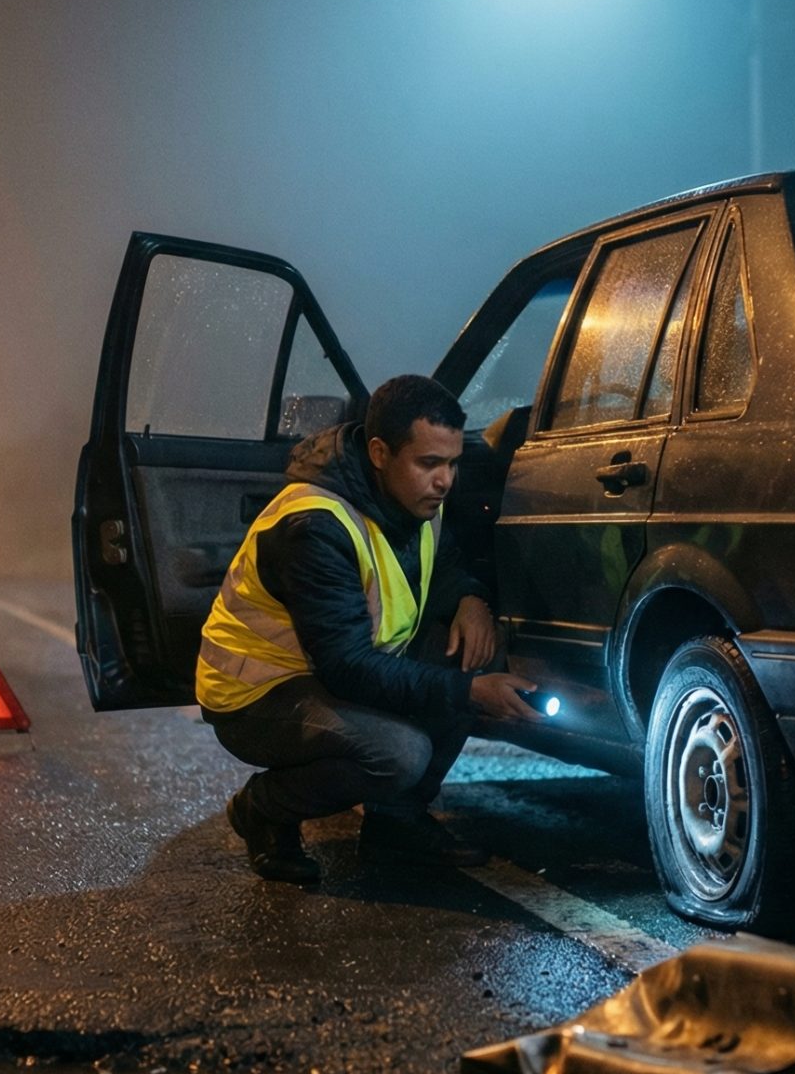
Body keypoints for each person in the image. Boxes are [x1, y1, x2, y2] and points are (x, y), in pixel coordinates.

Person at [197, 373, 542, 884]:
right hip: (256, 694)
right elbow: (346, 667)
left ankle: (396, 826)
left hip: (334, 672)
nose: (445, 481)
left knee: (474, 650)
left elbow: (438, 562)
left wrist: (470, 599)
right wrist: (467, 691)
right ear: (379, 453)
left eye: (452, 463)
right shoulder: (316, 525)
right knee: (398, 754)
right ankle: (263, 810)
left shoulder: (411, 497)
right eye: (429, 463)